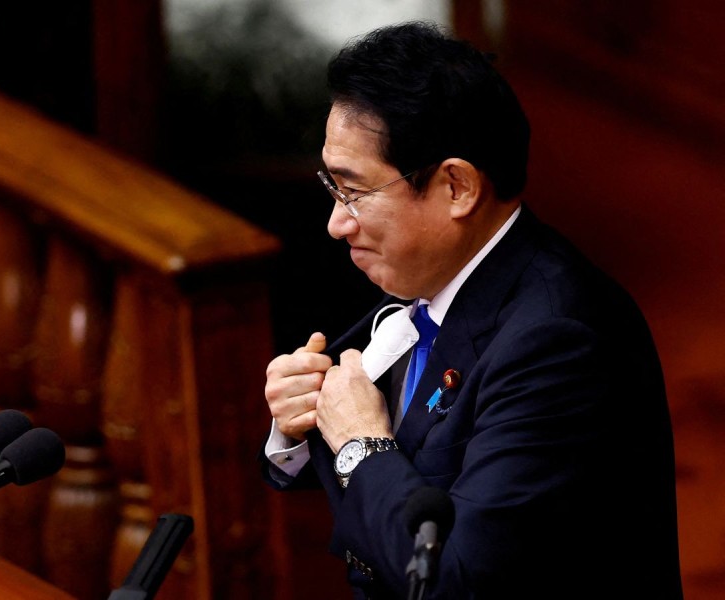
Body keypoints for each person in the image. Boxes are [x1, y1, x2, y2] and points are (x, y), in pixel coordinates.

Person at [260, 21, 683, 600]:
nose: (337, 223)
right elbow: (407, 453)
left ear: (457, 187)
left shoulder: (559, 338)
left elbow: (454, 578)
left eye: (354, 192)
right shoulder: (426, 279)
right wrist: (301, 421)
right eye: (332, 188)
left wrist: (359, 443)